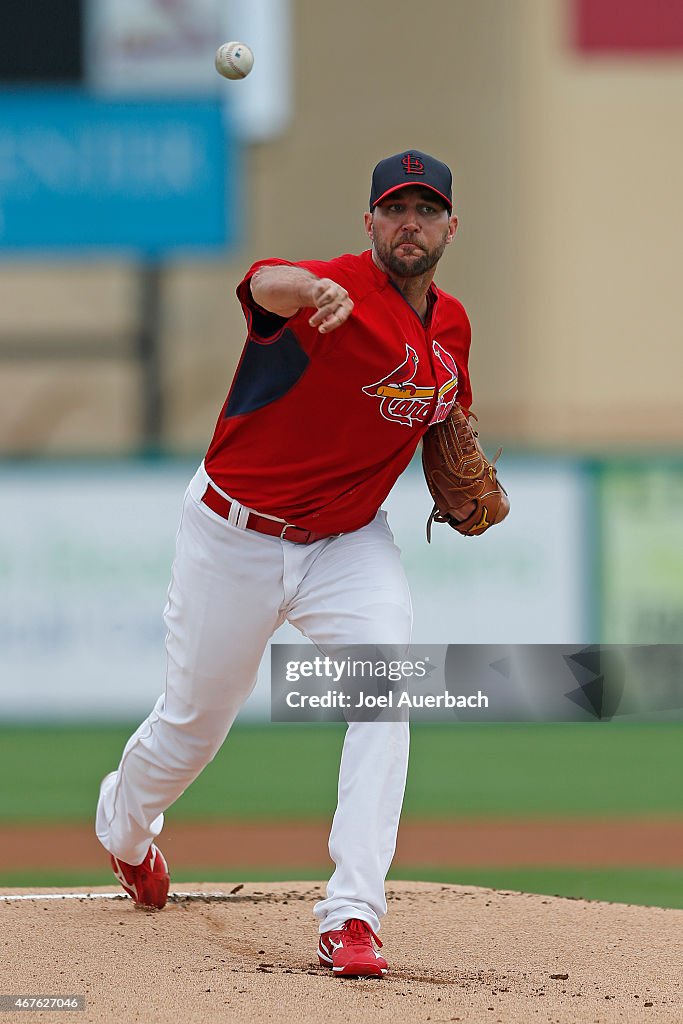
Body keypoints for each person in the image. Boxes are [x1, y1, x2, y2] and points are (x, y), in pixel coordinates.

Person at [96, 149, 473, 979]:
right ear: (368, 223)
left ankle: (352, 916)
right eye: (393, 208)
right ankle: (123, 830)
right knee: (193, 726)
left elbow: (445, 421)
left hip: (347, 542)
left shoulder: (451, 328)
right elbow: (265, 279)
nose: (409, 222)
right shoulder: (330, 290)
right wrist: (311, 290)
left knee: (384, 692)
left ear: (450, 225)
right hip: (235, 533)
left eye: (425, 208)